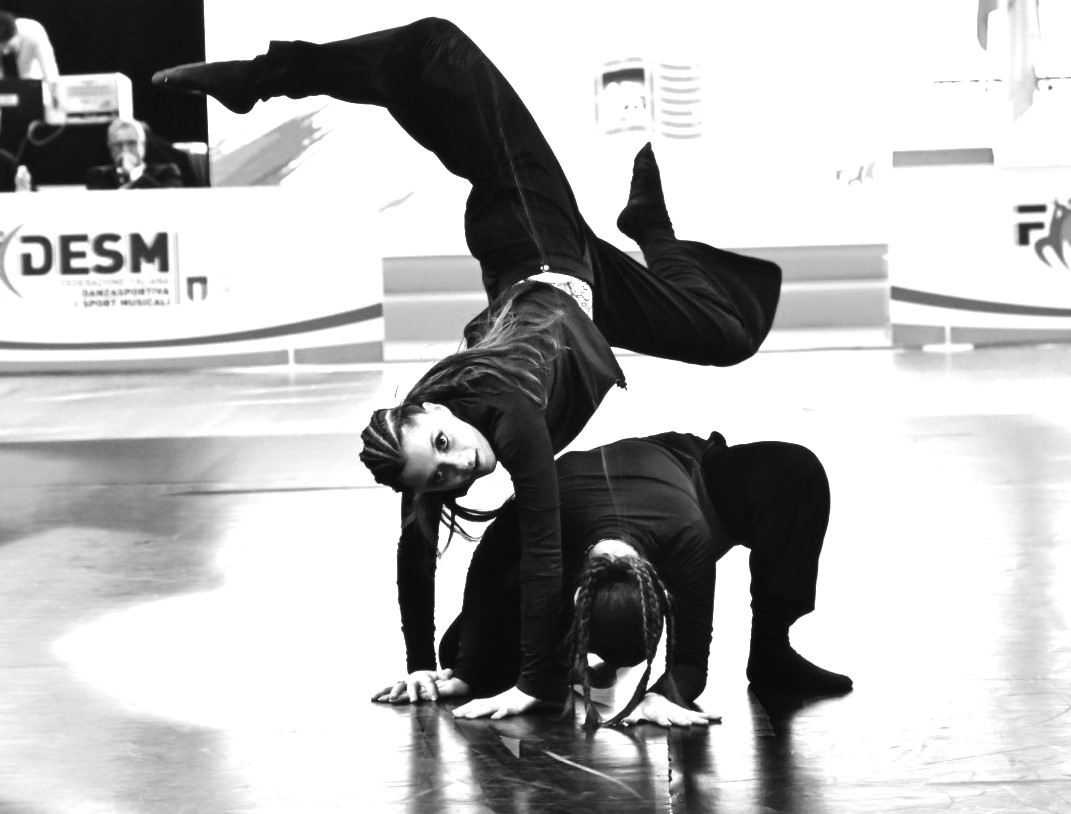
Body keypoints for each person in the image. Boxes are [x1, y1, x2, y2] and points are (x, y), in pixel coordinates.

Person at [152, 18, 782, 718]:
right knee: (727, 334)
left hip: (531, 235)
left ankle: (264, 76)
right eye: (443, 476)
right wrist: (422, 667)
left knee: (437, 47)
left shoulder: (509, 415)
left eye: (445, 448)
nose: (460, 467)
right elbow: (415, 549)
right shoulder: (421, 448)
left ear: (434, 414)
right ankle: (650, 230)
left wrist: (534, 684)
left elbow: (544, 548)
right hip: (587, 292)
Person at [374, 431, 853, 726]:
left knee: (795, 471)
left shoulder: (690, 538)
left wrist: (665, 695)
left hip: (694, 482)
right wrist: (466, 672)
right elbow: (485, 572)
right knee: (463, 653)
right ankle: (545, 657)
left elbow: (690, 662)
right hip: (584, 526)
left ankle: (772, 652)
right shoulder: (541, 524)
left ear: (661, 588)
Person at [84, 118, 183, 190]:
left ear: (143, 145)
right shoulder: (98, 175)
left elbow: (166, 201)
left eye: (131, 143)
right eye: (118, 144)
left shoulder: (167, 173)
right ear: (110, 148)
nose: (125, 149)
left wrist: (133, 174)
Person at [0, 11, 58, 95]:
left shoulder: (33, 31)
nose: (4, 51)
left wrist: (55, 95)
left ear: (16, 34)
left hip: (33, 84)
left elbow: (49, 68)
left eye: (6, 45)